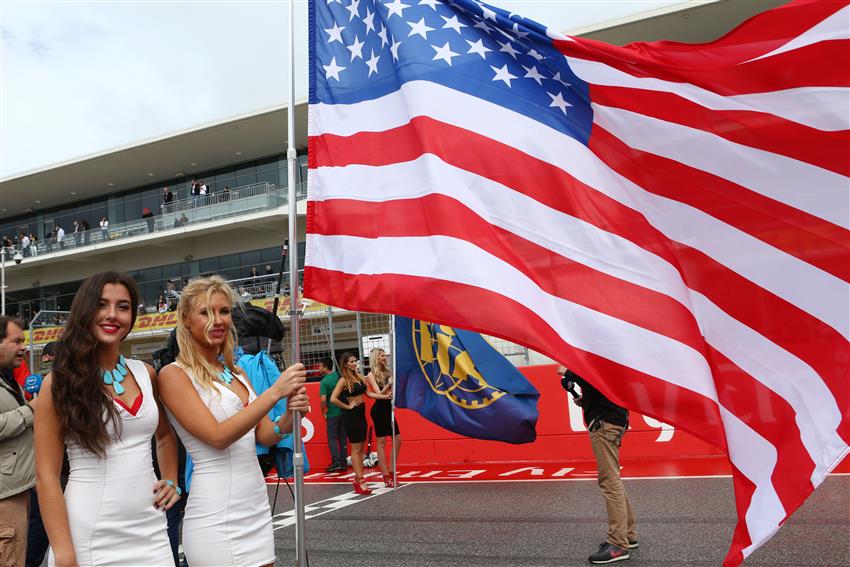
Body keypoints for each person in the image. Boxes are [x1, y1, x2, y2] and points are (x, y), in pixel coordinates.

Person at [158, 275, 309, 567]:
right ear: (186, 320)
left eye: (224, 311)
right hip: (215, 515)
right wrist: (275, 392)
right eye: (206, 312)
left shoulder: (236, 372)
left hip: (255, 508)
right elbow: (217, 436)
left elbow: (264, 435)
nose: (218, 320)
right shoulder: (174, 375)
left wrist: (289, 417)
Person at [34, 272, 181, 566]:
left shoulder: (146, 373)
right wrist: (63, 552)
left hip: (151, 528)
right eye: (102, 305)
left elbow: (164, 436)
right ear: (85, 310)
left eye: (123, 307)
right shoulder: (58, 382)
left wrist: (171, 481)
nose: (112, 315)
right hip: (90, 532)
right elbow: (46, 475)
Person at [557, 366, 638, 564]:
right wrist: (586, 401)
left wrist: (567, 372)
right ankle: (628, 534)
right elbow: (603, 386)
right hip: (612, 419)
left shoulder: (595, 356)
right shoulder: (607, 354)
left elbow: (593, 374)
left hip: (605, 423)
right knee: (613, 479)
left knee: (609, 481)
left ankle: (618, 544)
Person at [0, 316, 35, 567]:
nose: (24, 347)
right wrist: (31, 410)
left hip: (18, 488)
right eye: (17, 341)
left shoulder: (9, 378)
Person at [330, 352, 372, 495]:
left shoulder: (359, 377)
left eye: (356, 361)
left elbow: (369, 394)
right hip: (351, 415)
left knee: (361, 448)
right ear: (346, 364)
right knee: (355, 449)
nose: (355, 363)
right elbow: (333, 399)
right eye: (352, 362)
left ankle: (357, 478)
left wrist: (385, 395)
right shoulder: (343, 380)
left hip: (361, 414)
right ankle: (360, 480)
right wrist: (348, 406)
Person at [365, 347, 401, 488]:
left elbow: (391, 392)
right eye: (381, 356)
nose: (384, 357)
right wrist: (388, 384)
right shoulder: (371, 375)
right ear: (375, 358)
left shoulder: (387, 372)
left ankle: (392, 471)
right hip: (379, 410)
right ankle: (386, 475)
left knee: (398, 440)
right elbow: (379, 393)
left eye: (384, 355)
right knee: (381, 442)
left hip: (388, 408)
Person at [319, 357, 347, 472]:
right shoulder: (338, 376)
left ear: (325, 367)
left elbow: (323, 400)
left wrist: (323, 411)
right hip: (344, 411)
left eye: (320, 366)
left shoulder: (324, 381)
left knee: (332, 438)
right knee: (342, 438)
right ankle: (344, 462)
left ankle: (336, 462)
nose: (319, 368)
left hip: (332, 413)